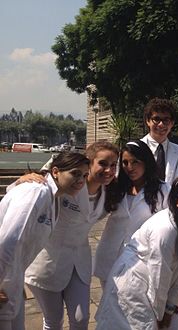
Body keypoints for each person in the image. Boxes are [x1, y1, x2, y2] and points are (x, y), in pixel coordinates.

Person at [23, 141, 119, 330]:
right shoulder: (68, 186)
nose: (109, 170)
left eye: (113, 165)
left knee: (81, 318)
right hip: (48, 261)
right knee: (53, 320)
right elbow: (50, 176)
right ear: (88, 163)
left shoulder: (110, 190)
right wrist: (27, 178)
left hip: (80, 261)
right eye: (103, 164)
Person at [95, 174, 178, 330]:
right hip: (135, 286)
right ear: (176, 200)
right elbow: (159, 274)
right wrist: (160, 315)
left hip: (158, 290)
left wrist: (169, 308)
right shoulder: (165, 230)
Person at [0, 152, 89, 330]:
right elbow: (8, 241)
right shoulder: (37, 191)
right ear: (55, 171)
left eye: (85, 175)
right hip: (4, 281)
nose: (81, 181)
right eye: (75, 173)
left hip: (13, 277)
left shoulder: (53, 197)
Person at [93, 140, 169, 288]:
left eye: (135, 162)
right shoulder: (115, 187)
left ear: (146, 162)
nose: (130, 167)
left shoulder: (163, 190)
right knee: (108, 306)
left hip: (140, 259)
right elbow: (94, 209)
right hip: (110, 254)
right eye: (125, 162)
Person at [140, 98, 178, 184]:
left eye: (166, 120)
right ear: (147, 121)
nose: (161, 124)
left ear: (172, 123)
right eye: (156, 119)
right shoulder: (135, 149)